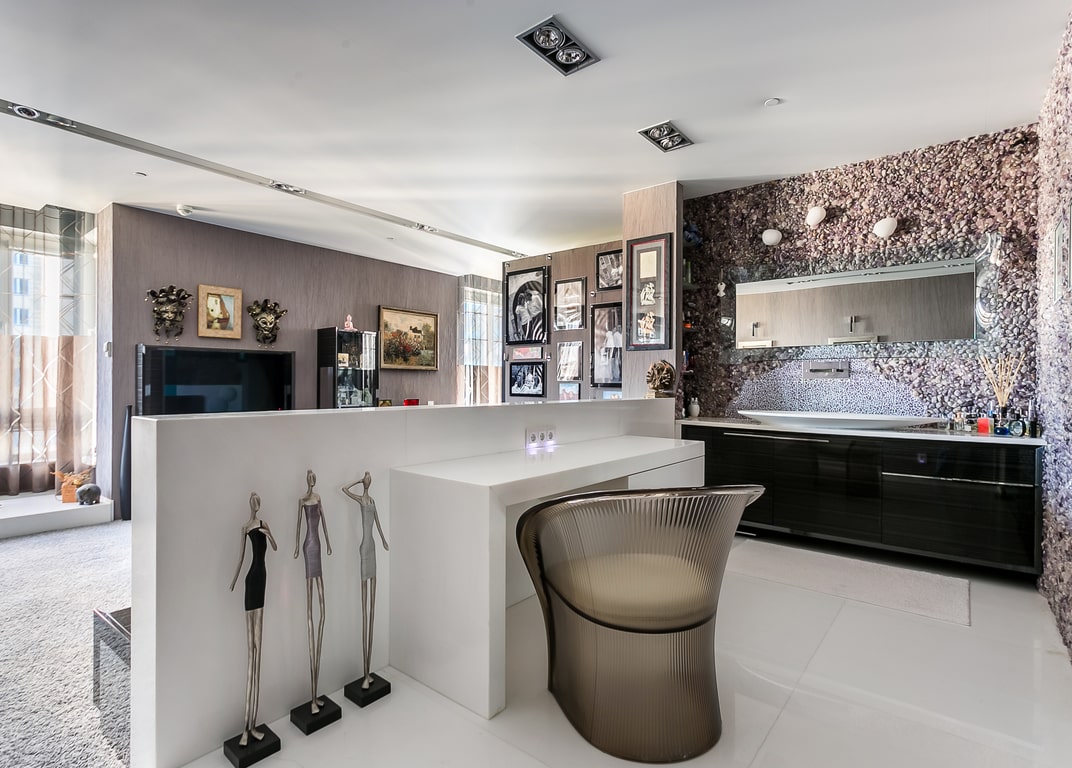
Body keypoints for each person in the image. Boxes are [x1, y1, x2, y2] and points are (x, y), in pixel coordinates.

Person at [229, 492, 278, 747]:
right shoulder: (246, 528)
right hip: (251, 582)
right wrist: (234, 580)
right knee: (251, 655)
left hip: (263, 581)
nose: (256, 504)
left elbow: (276, 547)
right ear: (251, 504)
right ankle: (245, 728)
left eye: (258, 500)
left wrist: (268, 533)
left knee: (259, 655)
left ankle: (253, 725)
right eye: (254, 501)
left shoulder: (263, 524)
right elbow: (241, 558)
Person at [341, 471, 389, 689]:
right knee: (364, 611)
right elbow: (344, 489)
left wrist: (384, 541)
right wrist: (358, 480)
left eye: (368, 479)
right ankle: (365, 672)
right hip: (364, 548)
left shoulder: (372, 501)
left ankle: (369, 672)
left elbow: (377, 524)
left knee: (372, 609)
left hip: (374, 548)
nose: (368, 481)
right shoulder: (361, 499)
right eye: (366, 479)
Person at [294, 469, 332, 713]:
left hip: (318, 547)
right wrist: (296, 547)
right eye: (310, 478)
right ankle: (312, 696)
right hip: (308, 548)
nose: (312, 480)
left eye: (313, 478)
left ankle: (316, 693)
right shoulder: (302, 501)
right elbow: (299, 528)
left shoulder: (318, 498)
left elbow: (324, 524)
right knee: (310, 613)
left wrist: (328, 543)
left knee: (323, 612)